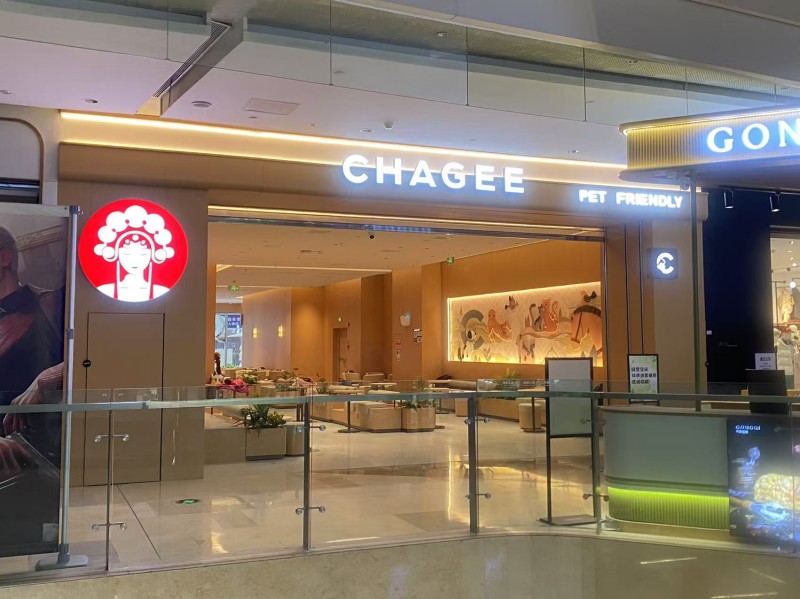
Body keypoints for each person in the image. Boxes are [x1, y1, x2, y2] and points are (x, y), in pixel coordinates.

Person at [0, 226, 63, 477]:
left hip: (43, 457)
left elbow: (94, 355)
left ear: (4, 257)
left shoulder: (49, 303)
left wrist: (47, 378)